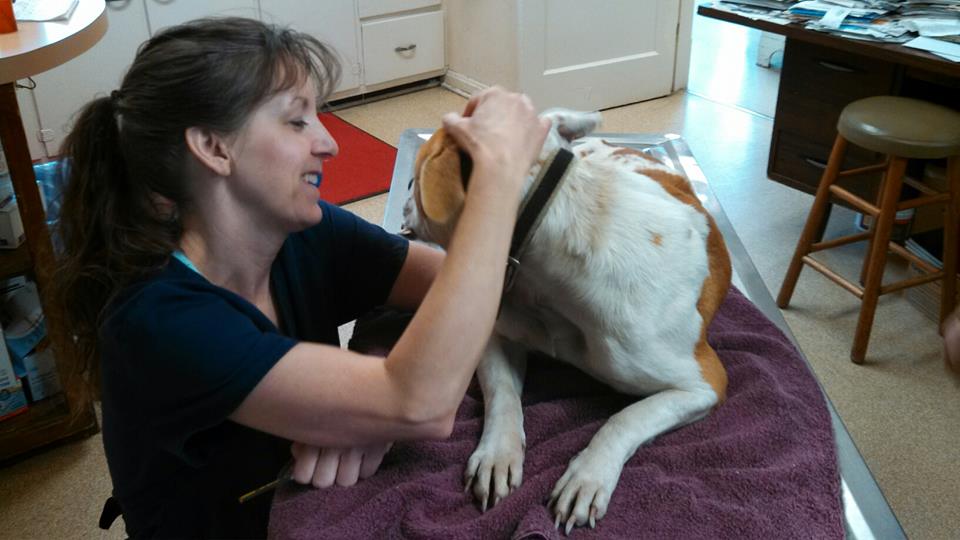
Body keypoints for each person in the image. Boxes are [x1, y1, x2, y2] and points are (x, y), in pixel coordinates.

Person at [51, 17, 549, 539]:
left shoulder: (301, 230)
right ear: (214, 148)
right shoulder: (157, 320)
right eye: (296, 122)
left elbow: (473, 290)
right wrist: (495, 180)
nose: (329, 143)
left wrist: (365, 405)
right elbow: (421, 402)